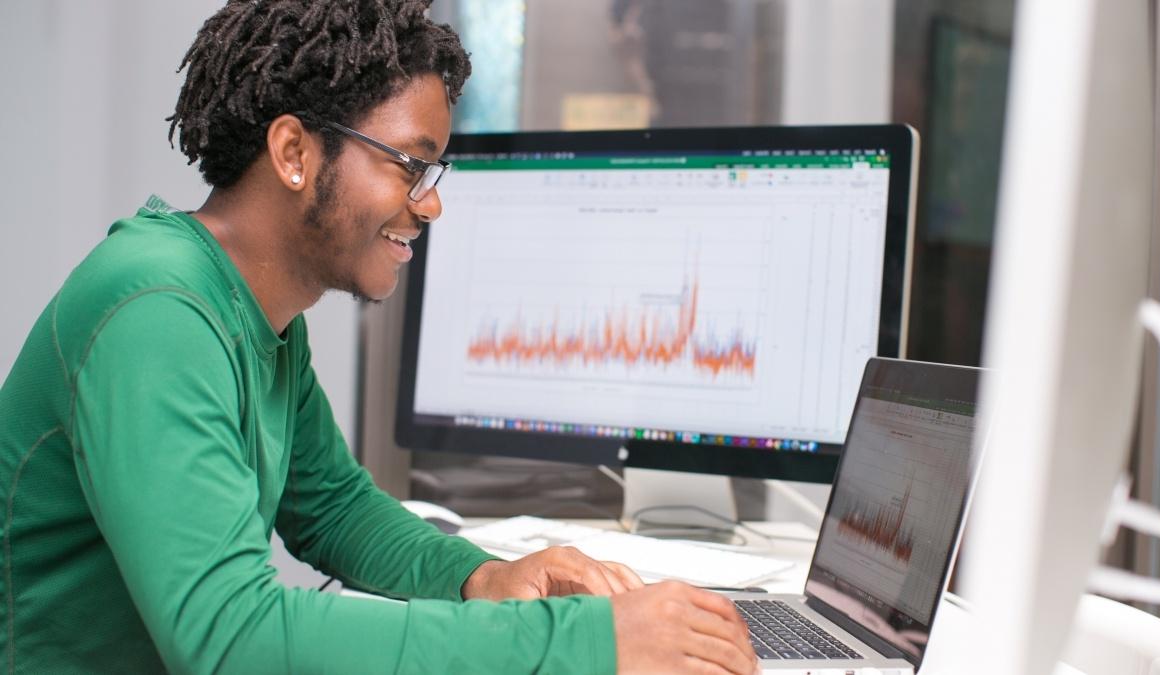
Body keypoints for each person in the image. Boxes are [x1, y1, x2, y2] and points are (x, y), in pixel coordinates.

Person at [0, 1, 759, 673]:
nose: (429, 207)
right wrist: (587, 645)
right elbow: (229, 636)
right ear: (294, 153)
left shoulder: (255, 312)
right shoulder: (158, 308)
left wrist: (482, 577)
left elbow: (331, 507)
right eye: (410, 166)